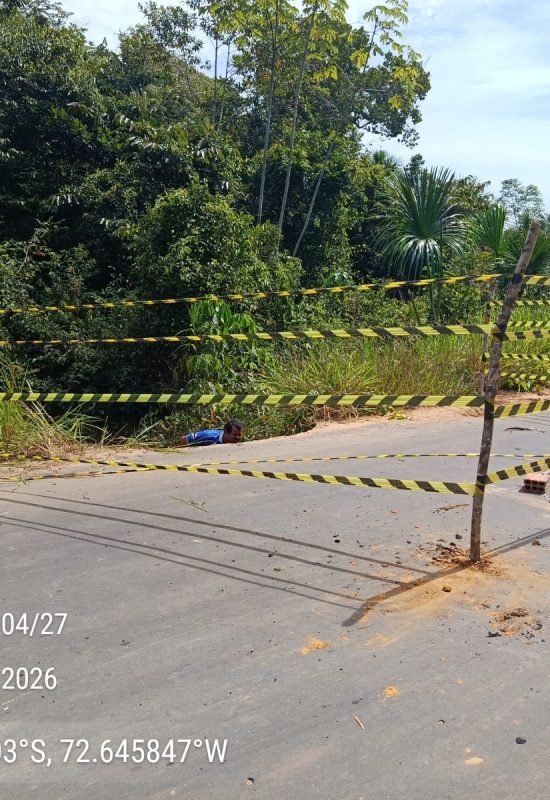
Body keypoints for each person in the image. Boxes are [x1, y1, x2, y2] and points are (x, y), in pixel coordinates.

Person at [179, 419, 244, 447]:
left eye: (239, 435)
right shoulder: (207, 436)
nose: (238, 437)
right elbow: (183, 440)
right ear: (226, 432)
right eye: (235, 435)